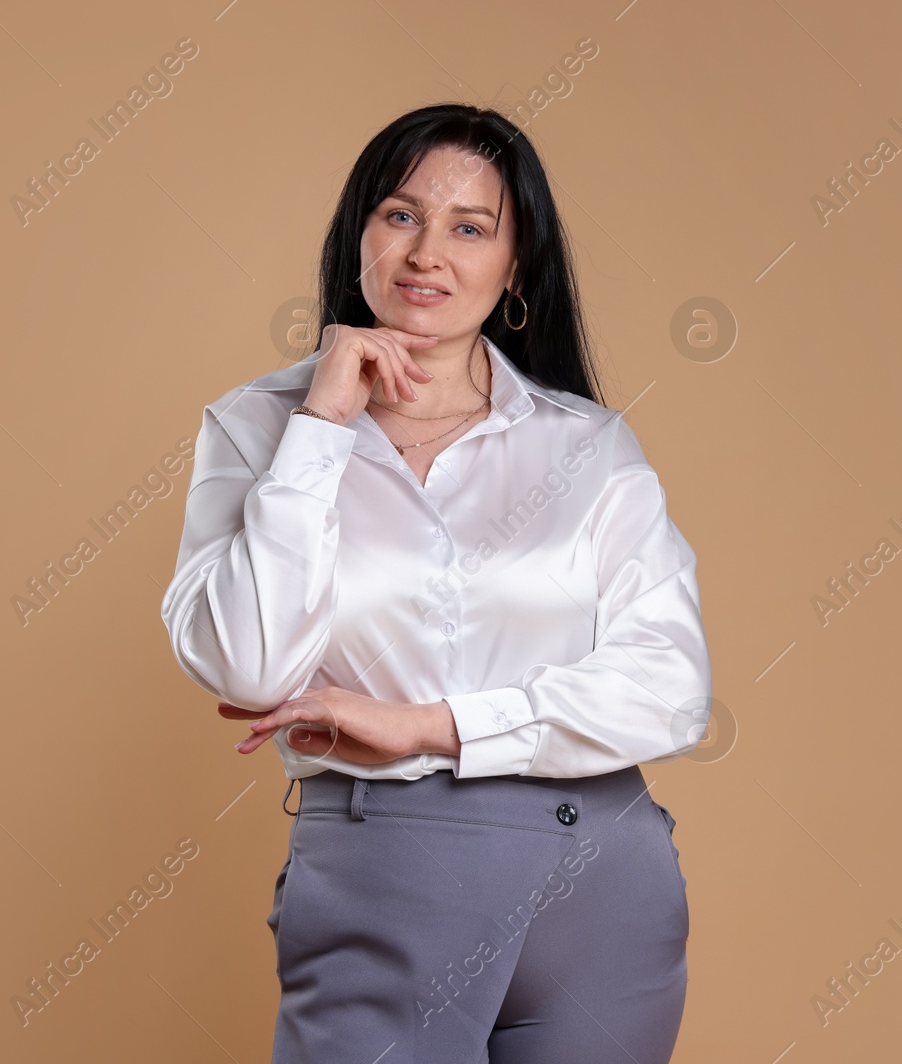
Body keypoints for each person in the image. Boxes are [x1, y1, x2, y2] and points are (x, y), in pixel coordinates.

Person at [159, 102, 711, 1063]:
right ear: (358, 233)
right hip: (387, 867)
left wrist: (433, 725)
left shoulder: (587, 445)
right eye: (401, 216)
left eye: (469, 228)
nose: (427, 255)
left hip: (605, 884)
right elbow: (248, 666)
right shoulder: (258, 427)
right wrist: (323, 422)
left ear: (514, 269)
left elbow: (670, 684)